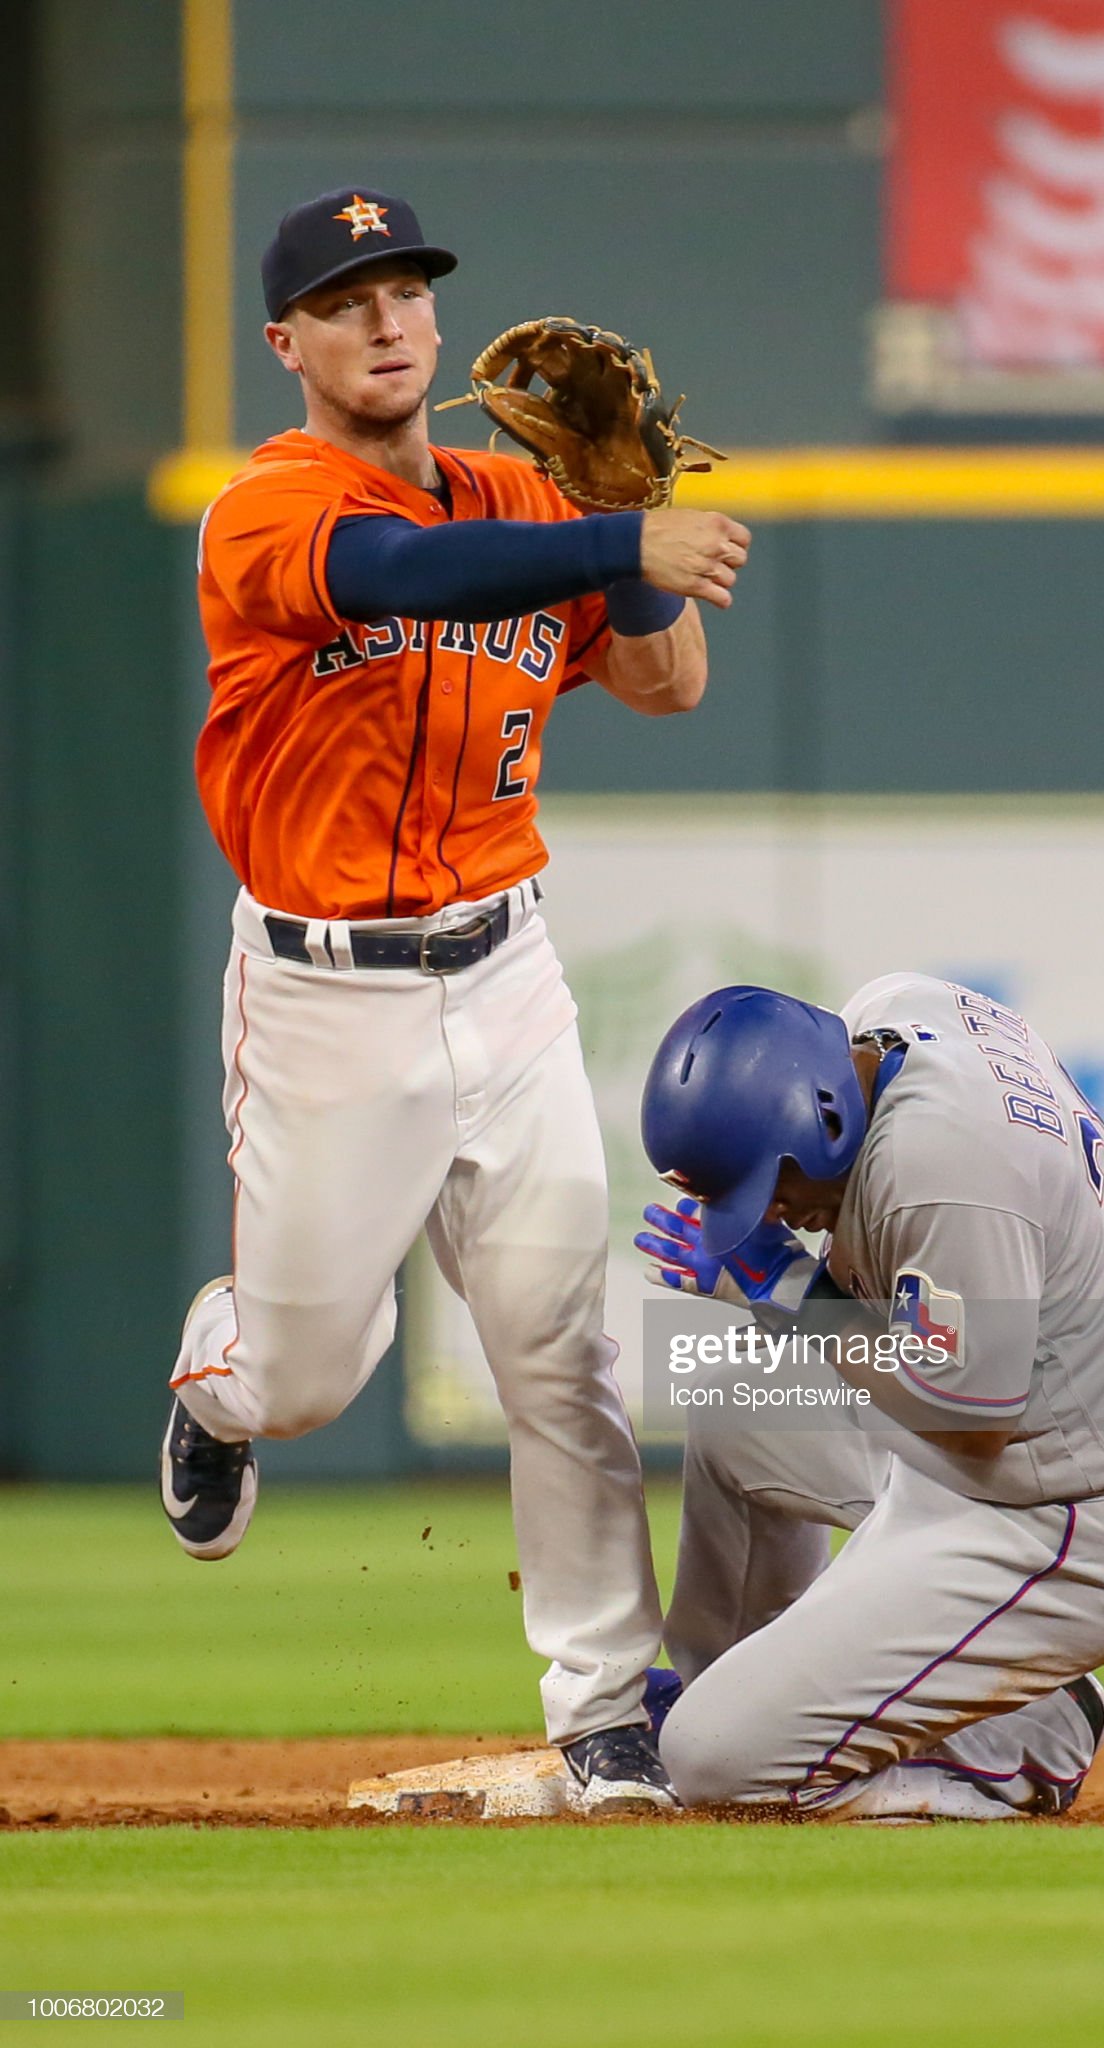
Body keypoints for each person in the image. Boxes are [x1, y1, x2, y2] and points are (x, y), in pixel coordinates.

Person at [159, 186, 750, 1813]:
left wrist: (618, 509)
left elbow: (665, 680)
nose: (390, 319)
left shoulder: (525, 493)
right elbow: (402, 572)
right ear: (285, 341)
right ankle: (216, 1372)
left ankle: (599, 1702)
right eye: (347, 299)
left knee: (559, 1349)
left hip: (508, 971)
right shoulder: (266, 510)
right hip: (325, 997)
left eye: (406, 287)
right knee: (306, 1379)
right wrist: (615, 532)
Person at [634, 974, 1104, 1819]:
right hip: (1010, 1444)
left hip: (1063, 1523)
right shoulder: (894, 1014)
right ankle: (753, 1693)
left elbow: (969, 1420)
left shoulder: (941, 1166)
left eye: (774, 1189)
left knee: (712, 1766)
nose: (780, 1212)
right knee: (737, 1409)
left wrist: (791, 1289)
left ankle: (1019, 1752)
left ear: (822, 1116)